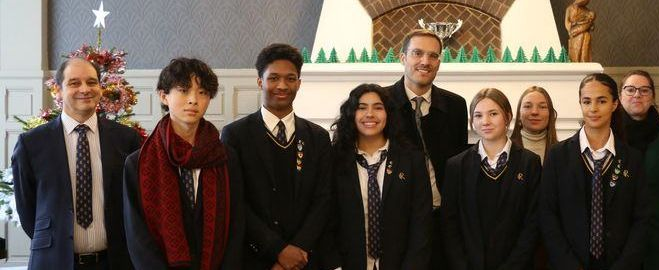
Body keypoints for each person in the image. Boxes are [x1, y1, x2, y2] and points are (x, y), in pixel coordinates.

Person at [12, 58, 141, 270]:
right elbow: (27, 209)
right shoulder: (32, 143)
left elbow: (135, 202)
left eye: (92, 82)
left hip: (115, 262)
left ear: (100, 88)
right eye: (74, 83)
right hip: (55, 262)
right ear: (58, 90)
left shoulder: (126, 139)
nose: (85, 89)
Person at [122, 57, 244, 269]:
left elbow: (236, 224)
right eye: (184, 90)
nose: (193, 100)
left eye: (202, 93)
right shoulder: (138, 162)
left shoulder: (225, 156)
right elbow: (137, 235)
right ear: (163, 96)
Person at [221, 43, 332, 270]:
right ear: (260, 81)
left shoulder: (318, 137)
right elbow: (235, 200)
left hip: (305, 258)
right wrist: (278, 250)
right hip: (255, 257)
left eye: (290, 78)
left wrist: (298, 249)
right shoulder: (235, 135)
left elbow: (324, 198)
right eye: (273, 78)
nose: (282, 86)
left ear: (299, 83)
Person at [539, 73, 648, 270]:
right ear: (580, 103)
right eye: (587, 101)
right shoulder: (558, 156)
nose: (593, 109)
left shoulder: (634, 159)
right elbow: (547, 214)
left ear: (615, 104)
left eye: (602, 101)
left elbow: (642, 220)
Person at [386, 28, 468, 269]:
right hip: (399, 223)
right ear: (402, 58)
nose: (425, 61)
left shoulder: (455, 105)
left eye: (433, 56)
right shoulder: (381, 103)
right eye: (417, 53)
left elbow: (458, 163)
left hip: (444, 222)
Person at [329, 84, 431, 270]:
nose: (370, 114)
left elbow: (421, 221)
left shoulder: (411, 159)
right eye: (361, 107)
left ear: (388, 114)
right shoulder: (334, 160)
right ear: (351, 114)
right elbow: (326, 219)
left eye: (378, 107)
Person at [441, 88, 542, 270]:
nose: (485, 121)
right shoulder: (456, 165)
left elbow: (533, 223)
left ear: (508, 117)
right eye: (478, 116)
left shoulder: (530, 163)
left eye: (493, 114)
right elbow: (449, 224)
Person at [618, 70, 659, 270]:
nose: (637, 94)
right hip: (618, 234)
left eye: (644, 90)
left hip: (656, 232)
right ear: (620, 96)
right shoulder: (608, 135)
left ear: (652, 97)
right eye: (630, 89)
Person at [511, 86, 559, 162]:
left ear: (550, 114)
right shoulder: (505, 150)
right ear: (519, 114)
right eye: (528, 106)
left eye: (542, 107)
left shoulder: (563, 152)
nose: (535, 112)